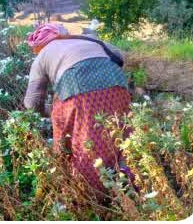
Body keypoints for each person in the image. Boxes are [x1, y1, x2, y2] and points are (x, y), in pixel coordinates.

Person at [23, 22, 131, 193]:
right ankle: (130, 183)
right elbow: (119, 55)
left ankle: (89, 196)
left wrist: (50, 112)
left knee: (80, 142)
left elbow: (32, 103)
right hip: (116, 79)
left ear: (38, 46)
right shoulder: (87, 40)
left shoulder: (42, 55)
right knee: (120, 132)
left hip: (76, 85)